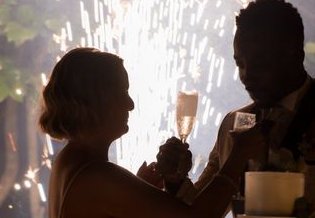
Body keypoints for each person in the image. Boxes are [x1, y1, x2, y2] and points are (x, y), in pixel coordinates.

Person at [156, 0, 315, 217]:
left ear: (294, 53)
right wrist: (176, 179)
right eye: (240, 63)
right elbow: (199, 211)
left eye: (259, 63)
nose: (247, 76)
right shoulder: (234, 123)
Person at [40, 48, 265, 218]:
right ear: (95, 102)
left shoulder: (68, 160)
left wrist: (137, 190)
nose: (130, 105)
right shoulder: (96, 175)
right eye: (121, 93)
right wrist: (238, 157)